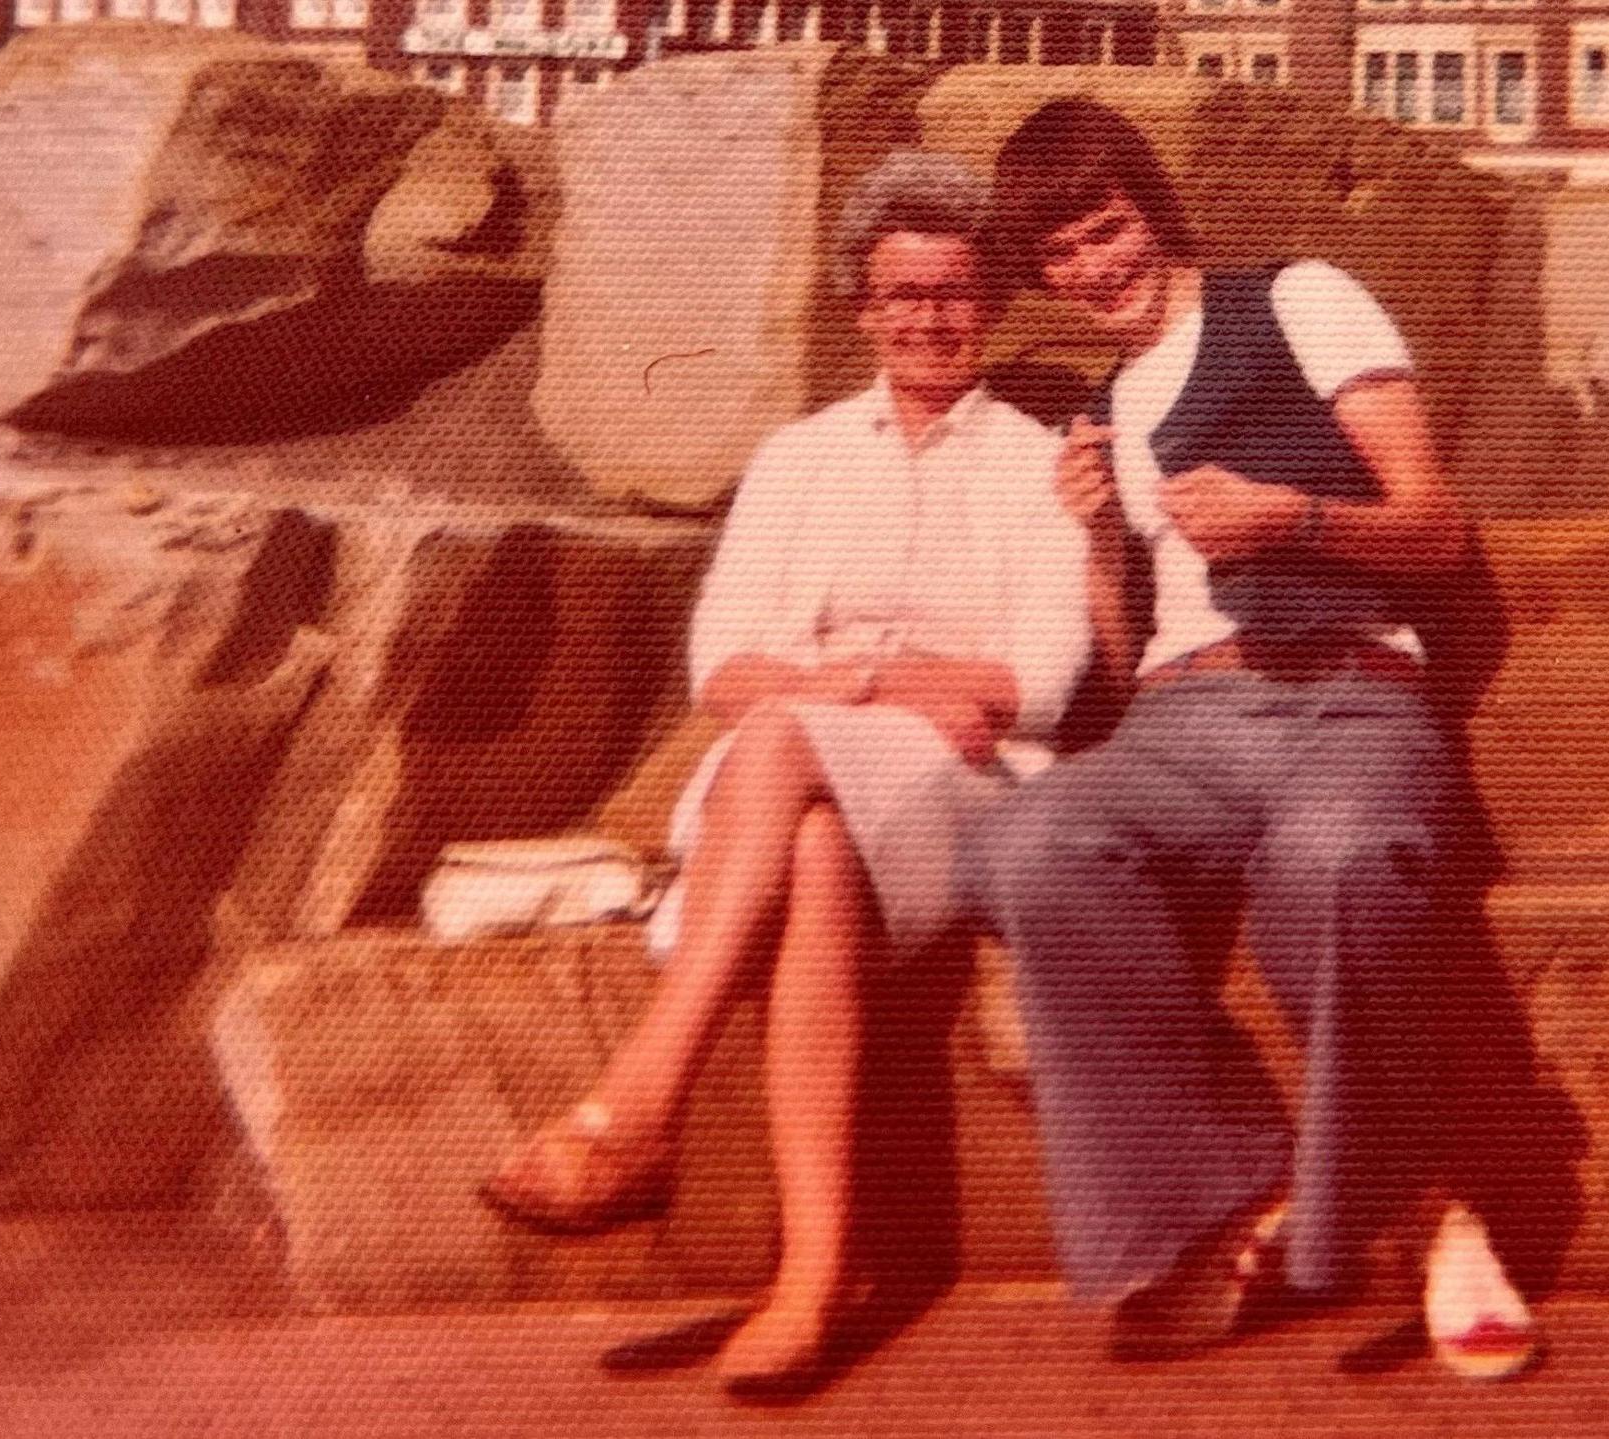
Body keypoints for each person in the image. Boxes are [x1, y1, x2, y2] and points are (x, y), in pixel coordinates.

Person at [481, 150, 1091, 1398]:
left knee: (780, 743)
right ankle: (810, 1283)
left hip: (964, 792)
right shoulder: (800, 457)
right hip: (803, 784)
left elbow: (1039, 685)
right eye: (902, 294)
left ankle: (642, 1097)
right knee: (808, 834)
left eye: (956, 292)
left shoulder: (1038, 463)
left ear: (994, 305)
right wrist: (893, 680)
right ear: (861, 310)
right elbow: (719, 668)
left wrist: (833, 680)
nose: (929, 318)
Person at [969, 98, 1541, 1379]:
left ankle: (1439, 1211)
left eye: (1107, 229)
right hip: (1185, 722)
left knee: (1334, 859)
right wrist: (1097, 541)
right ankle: (1228, 1194)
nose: (1093, 269)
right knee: (1026, 841)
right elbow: (1127, 674)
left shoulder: (1300, 297)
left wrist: (1290, 517)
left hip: (1351, 691)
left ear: (1155, 211)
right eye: (1059, 255)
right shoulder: (1105, 408)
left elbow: (1437, 531)